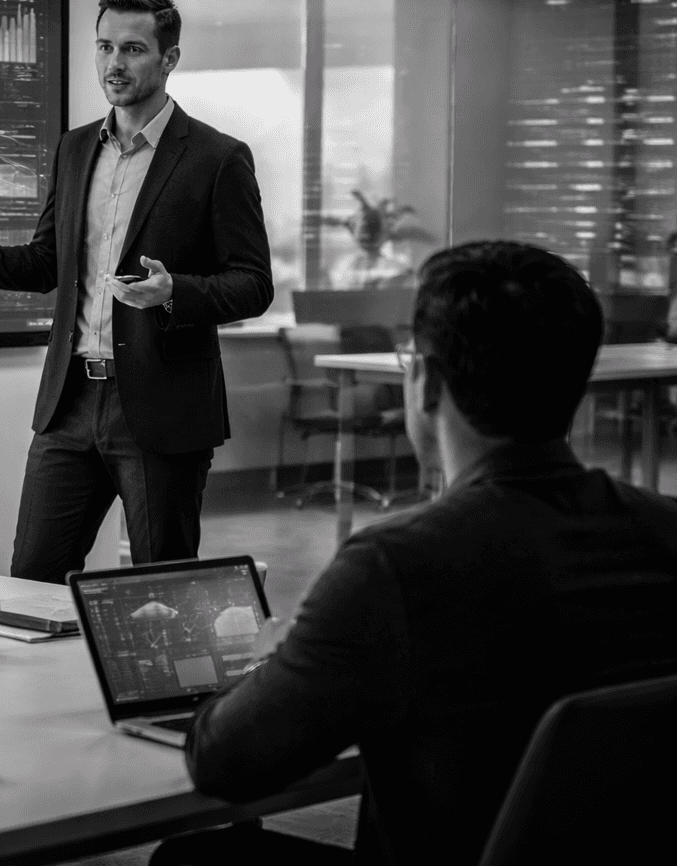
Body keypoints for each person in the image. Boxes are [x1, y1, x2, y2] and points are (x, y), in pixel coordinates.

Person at [178, 241, 677, 866]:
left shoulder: (396, 568)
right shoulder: (665, 531)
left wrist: (277, 659)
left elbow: (223, 761)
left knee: (198, 859)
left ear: (428, 382)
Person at [0, 0, 272, 581]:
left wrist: (176, 293)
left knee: (158, 591)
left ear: (168, 60)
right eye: (105, 47)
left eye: (134, 49)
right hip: (69, 405)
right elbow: (46, 265)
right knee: (31, 581)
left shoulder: (217, 158)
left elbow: (252, 284)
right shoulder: (74, 149)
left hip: (161, 409)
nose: (115, 64)